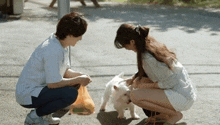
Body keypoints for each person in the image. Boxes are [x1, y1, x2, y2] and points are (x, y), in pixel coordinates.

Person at [15, 12, 92, 125]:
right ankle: (34, 117)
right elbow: (53, 83)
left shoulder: (60, 44)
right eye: (79, 35)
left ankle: (44, 115)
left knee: (73, 86)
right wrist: (79, 79)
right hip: (28, 94)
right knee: (69, 93)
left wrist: (80, 76)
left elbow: (64, 71)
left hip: (39, 89)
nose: (80, 38)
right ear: (70, 34)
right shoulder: (52, 50)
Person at [114, 23, 197, 125]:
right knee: (139, 85)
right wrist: (134, 78)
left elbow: (170, 82)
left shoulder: (147, 58)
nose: (124, 47)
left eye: (124, 45)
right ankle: (164, 115)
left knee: (135, 96)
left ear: (132, 41)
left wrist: (145, 85)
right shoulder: (150, 45)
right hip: (184, 92)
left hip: (181, 97)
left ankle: (174, 115)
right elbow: (152, 73)